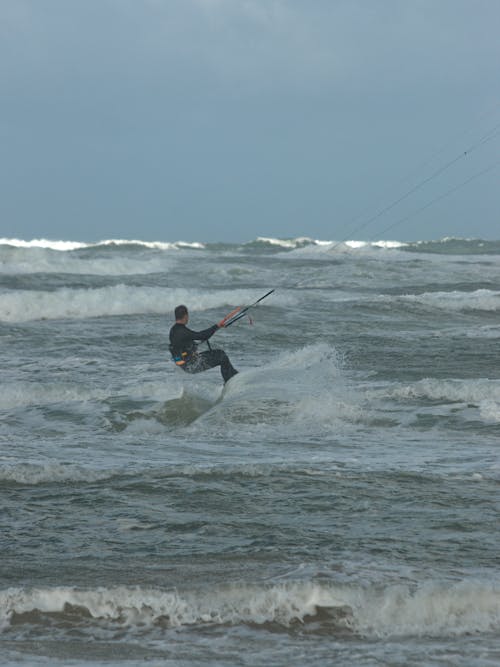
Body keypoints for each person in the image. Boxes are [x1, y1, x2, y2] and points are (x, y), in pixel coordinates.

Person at [169, 305, 238, 383]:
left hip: (185, 365)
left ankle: (233, 376)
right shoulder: (182, 331)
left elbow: (184, 344)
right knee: (221, 356)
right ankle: (230, 381)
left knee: (218, 354)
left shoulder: (173, 330)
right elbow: (202, 336)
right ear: (185, 316)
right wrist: (217, 326)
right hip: (192, 365)